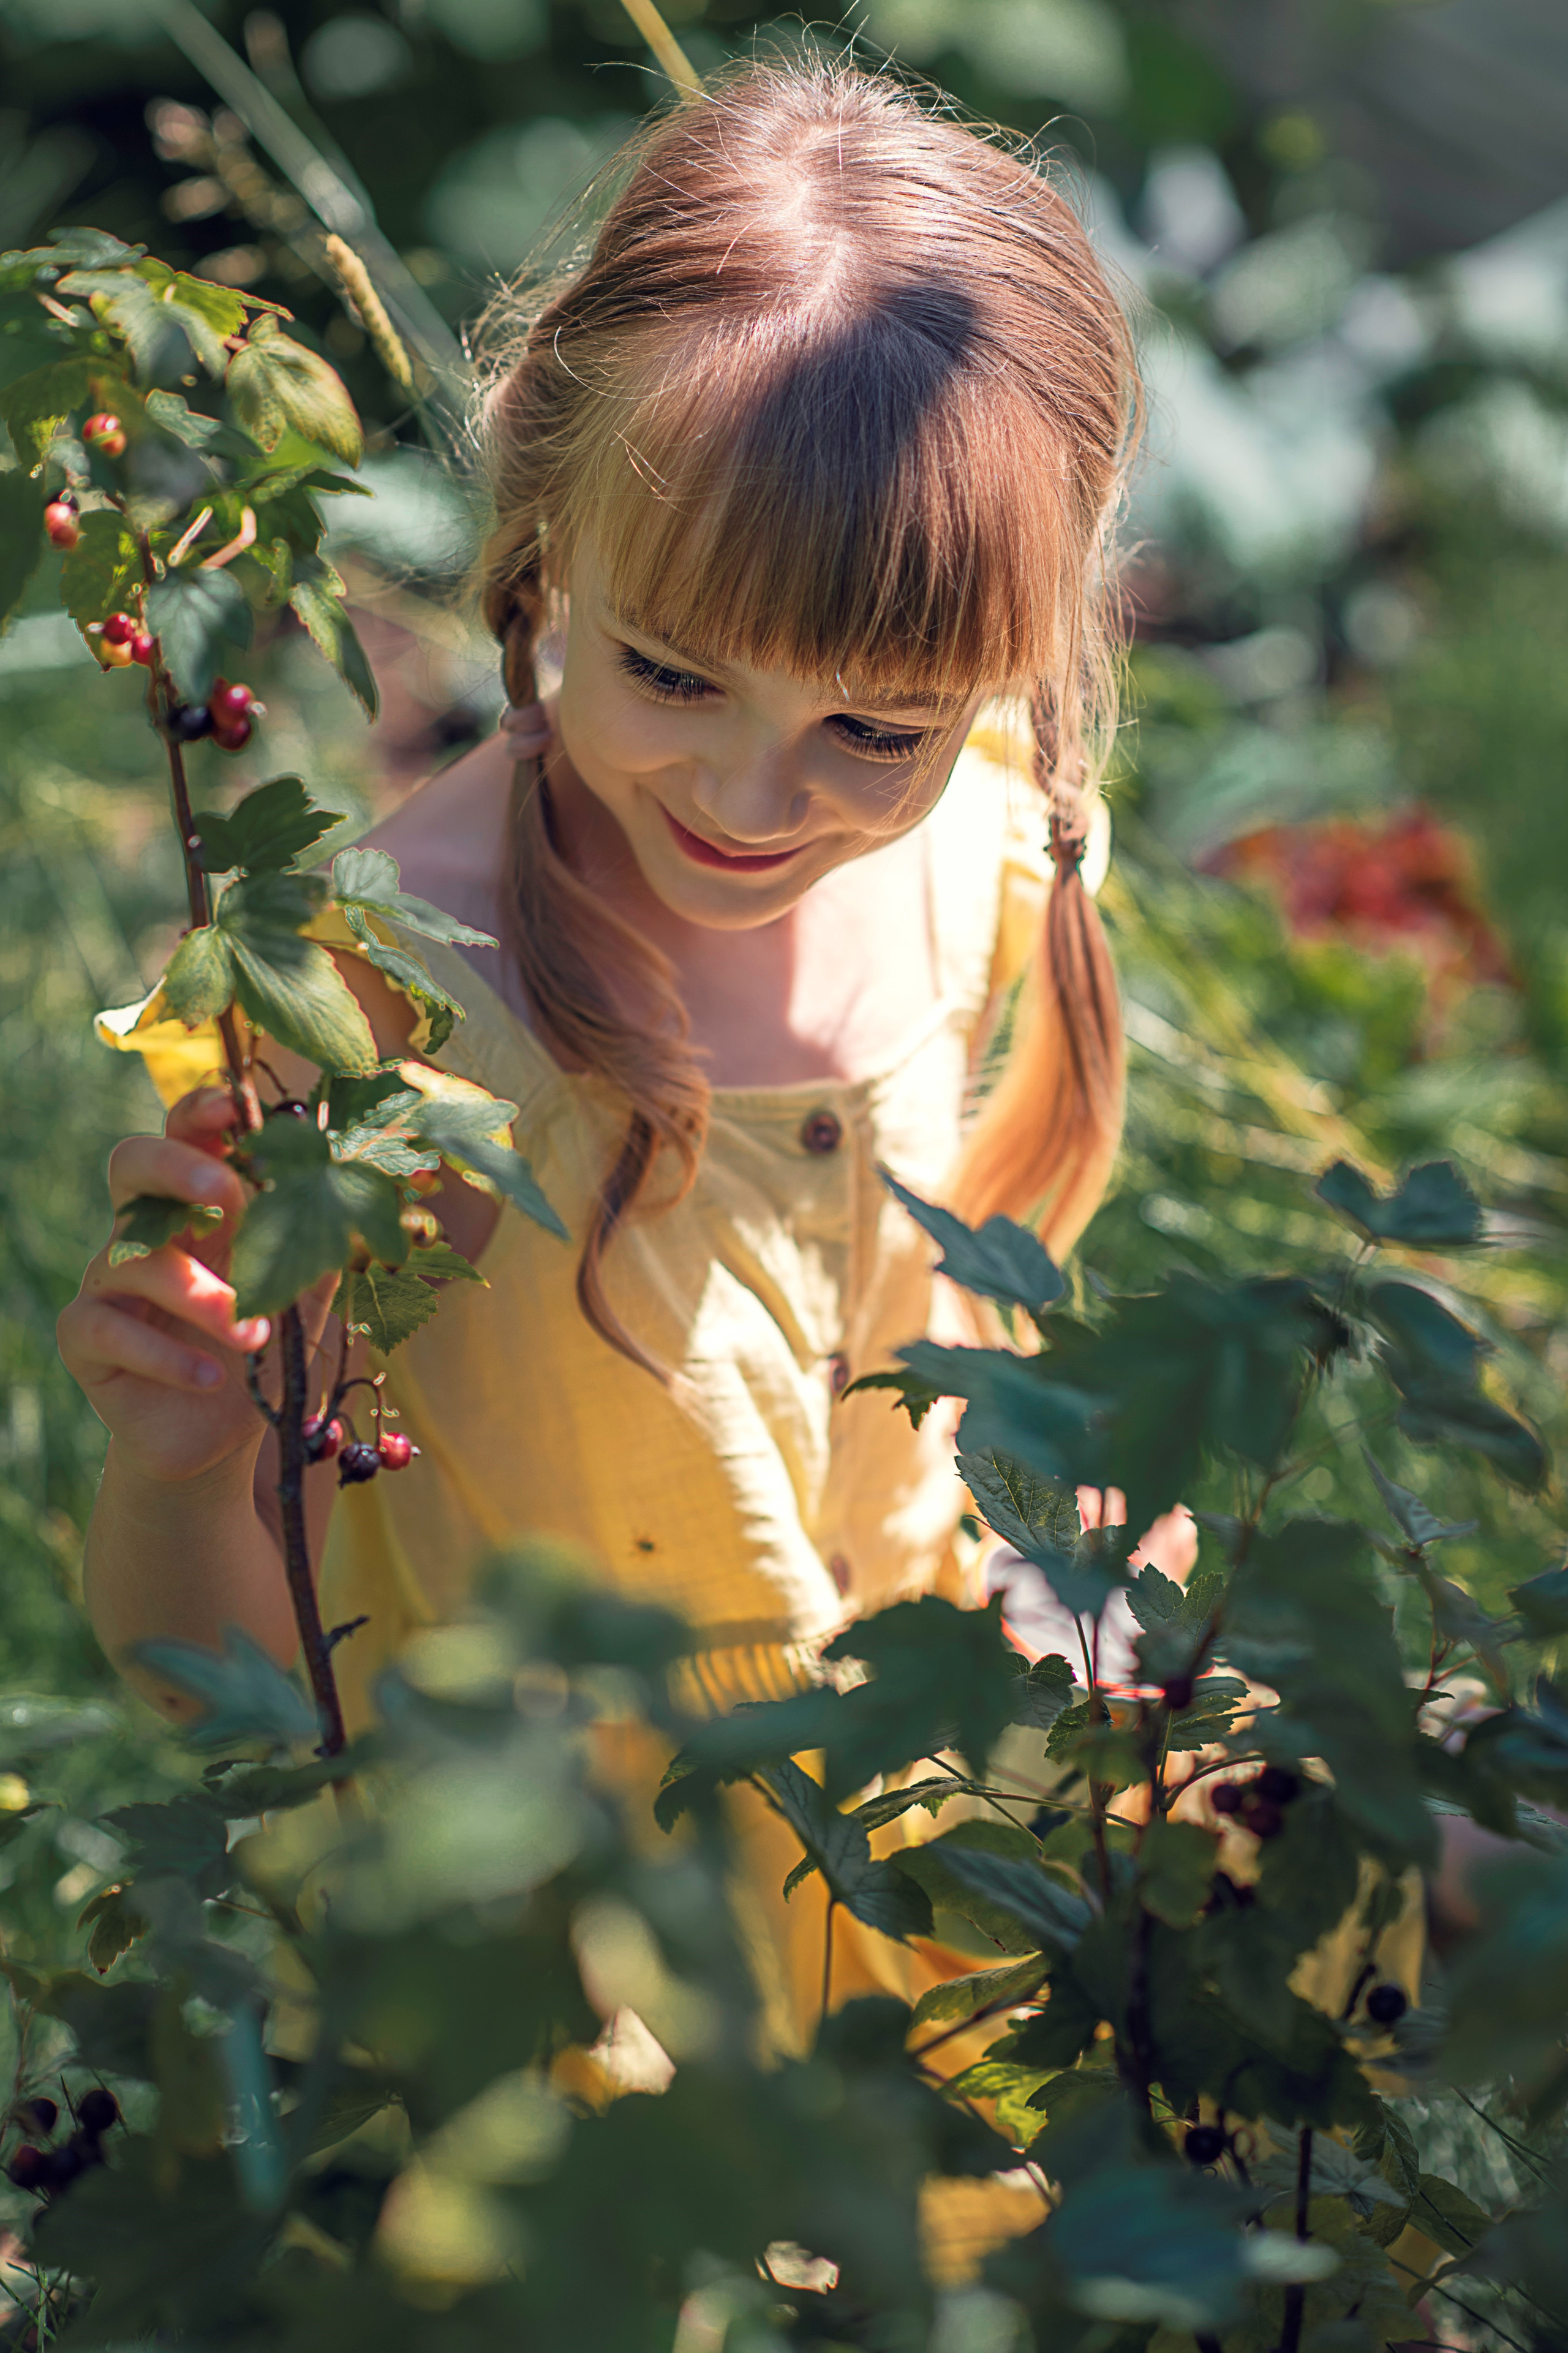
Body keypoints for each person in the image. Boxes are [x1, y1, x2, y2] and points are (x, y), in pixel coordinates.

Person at [61, 56, 1145, 2173]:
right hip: (561, 2024)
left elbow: (947, 1400)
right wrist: (185, 1465)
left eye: (872, 721)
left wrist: (1093, 1590)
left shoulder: (971, 851)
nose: (761, 804)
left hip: (920, 1921)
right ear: (540, 518)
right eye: (669, 674)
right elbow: (223, 1678)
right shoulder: (372, 1002)